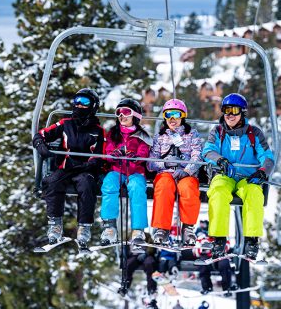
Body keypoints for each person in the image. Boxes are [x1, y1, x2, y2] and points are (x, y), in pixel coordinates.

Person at [202, 93, 275, 260]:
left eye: (234, 111)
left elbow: (267, 156)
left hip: (247, 178)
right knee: (218, 192)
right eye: (226, 111)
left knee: (255, 194)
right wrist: (220, 160)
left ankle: (251, 240)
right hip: (224, 175)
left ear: (242, 113)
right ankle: (219, 239)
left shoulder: (254, 133)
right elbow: (207, 151)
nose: (229, 115)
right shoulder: (218, 131)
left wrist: (263, 171)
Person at [32, 88, 104, 248]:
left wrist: (93, 163)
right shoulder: (66, 124)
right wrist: (41, 145)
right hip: (66, 166)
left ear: (93, 106)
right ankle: (55, 224)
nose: (79, 105)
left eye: (85, 102)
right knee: (52, 182)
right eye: (77, 101)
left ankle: (84, 227)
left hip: (85, 169)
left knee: (87, 185)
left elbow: (100, 153)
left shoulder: (98, 131)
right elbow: (41, 135)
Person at [100, 98, 152, 251]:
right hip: (117, 169)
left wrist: (135, 157)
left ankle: (138, 230)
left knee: (137, 188)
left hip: (135, 171)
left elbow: (144, 152)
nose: (122, 116)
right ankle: (109, 226)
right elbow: (107, 150)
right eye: (119, 113)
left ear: (135, 115)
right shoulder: (114, 133)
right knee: (109, 183)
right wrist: (113, 154)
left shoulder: (142, 135)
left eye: (126, 112)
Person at [148, 99, 202, 245]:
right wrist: (164, 163)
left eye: (176, 114)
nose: (172, 119)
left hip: (185, 172)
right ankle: (162, 228)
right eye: (168, 114)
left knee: (189, 188)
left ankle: (188, 227)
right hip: (166, 172)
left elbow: (197, 155)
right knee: (164, 187)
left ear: (183, 116)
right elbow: (151, 162)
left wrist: (187, 170)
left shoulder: (192, 135)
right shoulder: (159, 137)